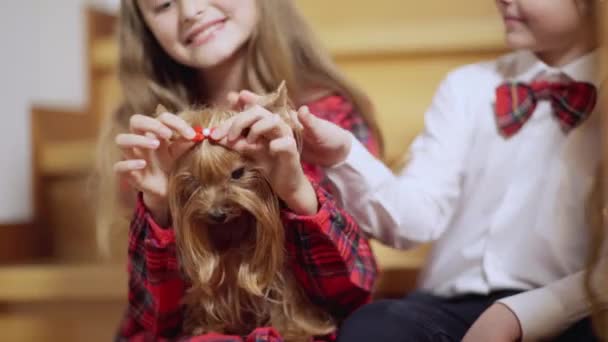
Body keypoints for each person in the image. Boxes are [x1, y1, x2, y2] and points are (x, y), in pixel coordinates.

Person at [237, 0, 603, 340]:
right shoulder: (467, 87)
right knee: (374, 326)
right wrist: (342, 153)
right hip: (448, 305)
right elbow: (413, 220)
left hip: (573, 310)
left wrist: (515, 316)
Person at [94, 0, 381, 340]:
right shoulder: (143, 139)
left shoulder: (328, 121)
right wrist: (158, 206)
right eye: (164, 4)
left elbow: (351, 293)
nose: (190, 11)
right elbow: (154, 320)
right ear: (144, 26)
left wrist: (297, 193)